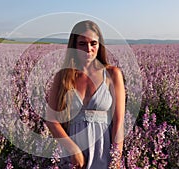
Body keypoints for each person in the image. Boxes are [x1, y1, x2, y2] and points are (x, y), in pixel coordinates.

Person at [46, 20, 125, 169]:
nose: (88, 49)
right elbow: (51, 120)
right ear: (74, 46)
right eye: (82, 43)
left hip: (104, 149)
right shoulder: (63, 76)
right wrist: (73, 149)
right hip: (72, 151)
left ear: (99, 45)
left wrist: (116, 157)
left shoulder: (112, 74)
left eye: (93, 43)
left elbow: (119, 121)